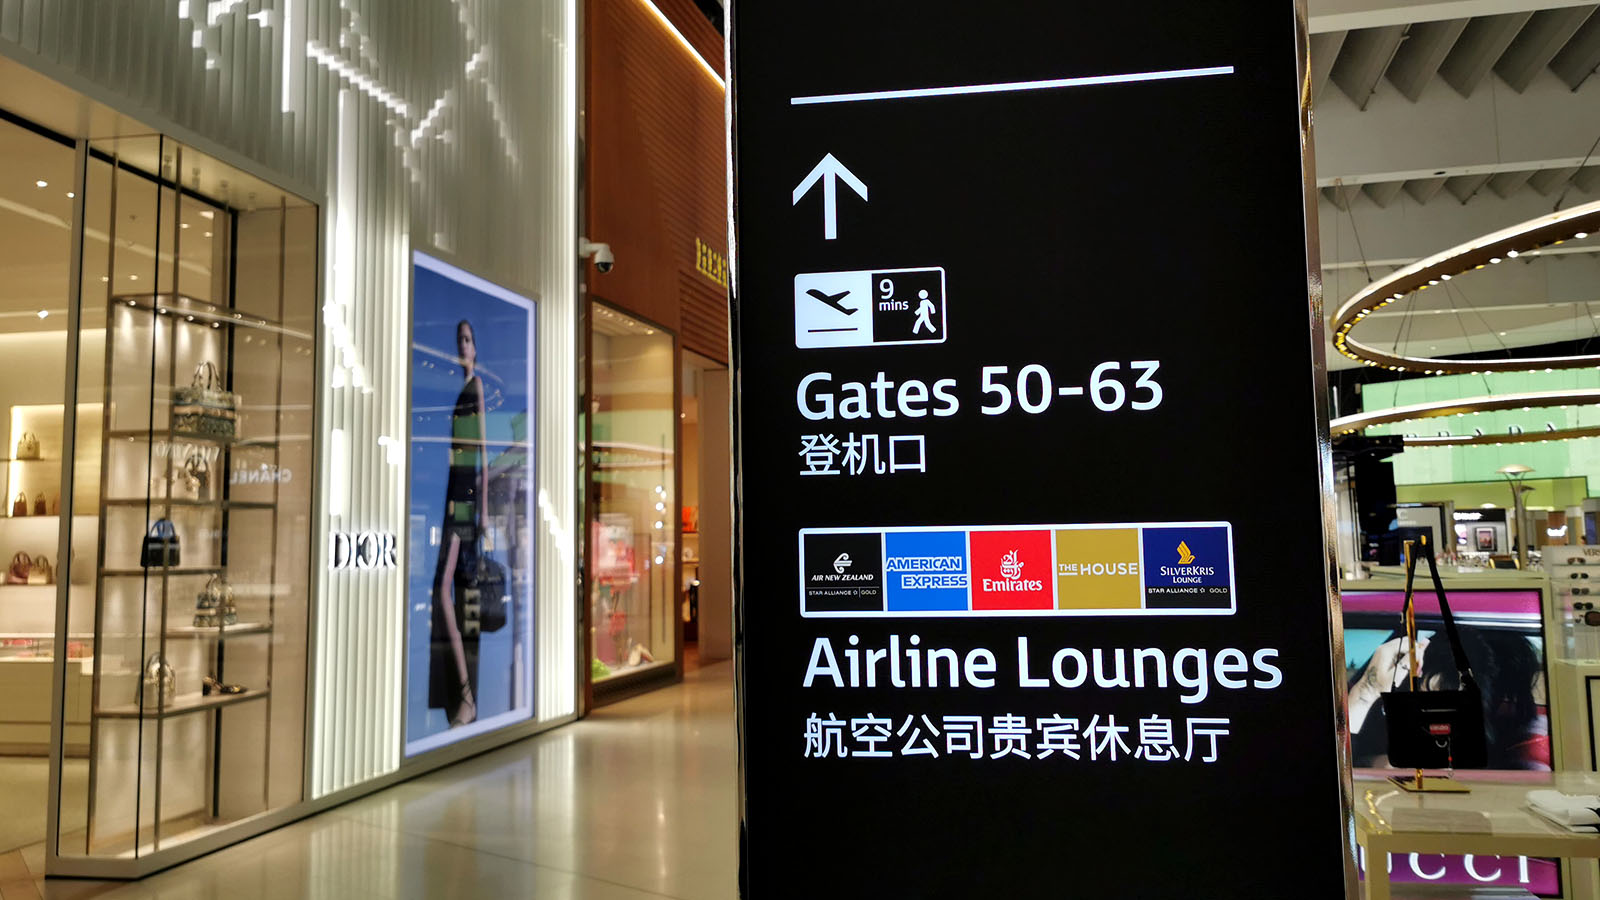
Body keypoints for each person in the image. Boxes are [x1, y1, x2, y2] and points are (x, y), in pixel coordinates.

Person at [429, 320, 489, 727]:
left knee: (444, 587)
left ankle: (467, 698)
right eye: (459, 341)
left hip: (465, 496)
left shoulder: (477, 387)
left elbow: (480, 447)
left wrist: (479, 507)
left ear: (475, 347)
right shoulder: (463, 391)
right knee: (449, 589)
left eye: (468, 339)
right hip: (457, 494)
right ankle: (465, 697)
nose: (462, 346)